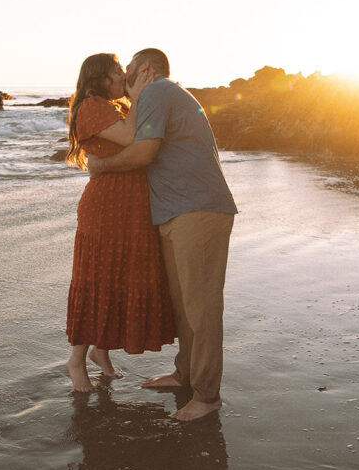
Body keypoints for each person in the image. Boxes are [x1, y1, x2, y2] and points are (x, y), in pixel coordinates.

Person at [87, 48, 237, 421]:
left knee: (201, 307)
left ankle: (206, 396)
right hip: (177, 211)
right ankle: (185, 374)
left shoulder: (156, 92)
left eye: (128, 71)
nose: (123, 80)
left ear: (146, 70)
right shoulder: (162, 96)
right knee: (185, 304)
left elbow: (144, 153)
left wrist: (100, 167)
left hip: (197, 210)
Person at [65, 53, 176, 392]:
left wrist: (137, 93)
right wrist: (140, 93)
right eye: (118, 73)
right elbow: (133, 138)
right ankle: (76, 360)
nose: (123, 78)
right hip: (108, 205)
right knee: (100, 278)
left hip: (130, 204)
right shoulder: (93, 106)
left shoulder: (114, 106)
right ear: (99, 78)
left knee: (118, 276)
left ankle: (102, 353)